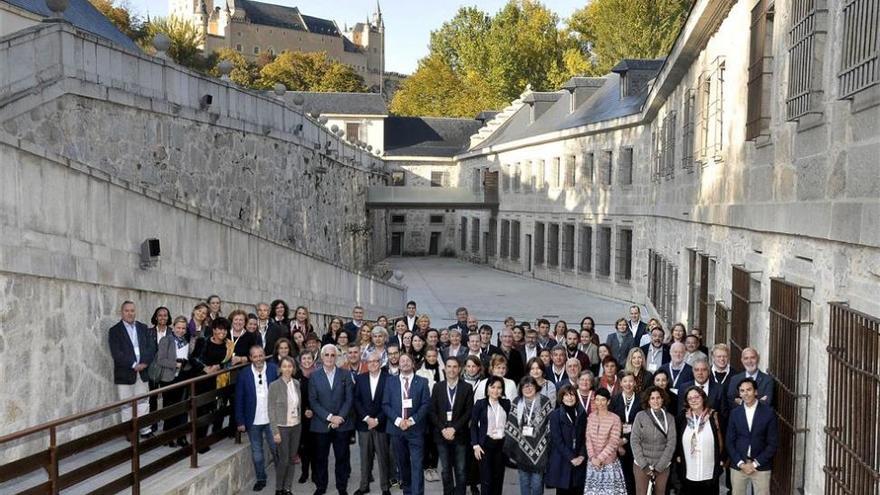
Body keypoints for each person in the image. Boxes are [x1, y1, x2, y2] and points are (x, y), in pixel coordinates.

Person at [309, 344, 355, 495]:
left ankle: (342, 487)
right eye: (326, 355)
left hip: (342, 424)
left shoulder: (345, 374)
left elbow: (349, 399)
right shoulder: (314, 376)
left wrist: (340, 417)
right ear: (321, 357)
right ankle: (321, 487)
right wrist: (330, 417)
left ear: (336, 357)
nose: (329, 358)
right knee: (320, 458)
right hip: (321, 424)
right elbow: (313, 401)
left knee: (342, 457)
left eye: (332, 355)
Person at [383, 353, 431, 495]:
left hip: (415, 429)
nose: (404, 363)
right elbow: (385, 404)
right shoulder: (390, 381)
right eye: (402, 361)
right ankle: (408, 491)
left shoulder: (422, 382)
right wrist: (398, 421)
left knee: (417, 464)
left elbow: (425, 404)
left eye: (407, 360)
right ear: (398, 364)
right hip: (396, 430)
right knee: (403, 464)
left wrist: (411, 420)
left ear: (413, 364)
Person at [108, 301, 155, 440]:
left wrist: (144, 363)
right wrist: (133, 364)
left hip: (142, 371)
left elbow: (151, 347)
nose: (130, 313)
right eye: (127, 311)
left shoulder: (143, 328)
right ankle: (130, 431)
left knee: (143, 401)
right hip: (125, 372)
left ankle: (145, 430)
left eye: (132, 310)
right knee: (126, 403)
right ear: (121, 312)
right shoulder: (115, 330)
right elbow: (116, 353)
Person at [235, 345, 279, 492]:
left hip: (272, 418)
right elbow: (239, 398)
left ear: (264, 355)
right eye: (255, 356)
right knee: (257, 453)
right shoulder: (244, 374)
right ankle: (261, 478)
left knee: (276, 448)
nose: (259, 358)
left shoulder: (273, 369)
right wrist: (240, 421)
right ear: (250, 358)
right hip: (253, 420)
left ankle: (282, 474)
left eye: (261, 355)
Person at [726, 378, 778, 495]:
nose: (746, 393)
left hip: (761, 465)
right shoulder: (735, 413)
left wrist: (755, 464)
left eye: (749, 390)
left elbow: (773, 443)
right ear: (739, 394)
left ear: (756, 392)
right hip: (738, 465)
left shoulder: (768, 412)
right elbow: (729, 441)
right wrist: (740, 463)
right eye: (742, 391)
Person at [431, 355, 474, 495]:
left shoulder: (467, 387)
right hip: (441, 434)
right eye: (449, 366)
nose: (452, 369)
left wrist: (454, 428)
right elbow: (432, 411)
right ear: (444, 369)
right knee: (446, 469)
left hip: (460, 435)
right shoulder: (437, 387)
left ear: (460, 369)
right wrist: (443, 429)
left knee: (461, 469)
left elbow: (468, 412)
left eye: (455, 367)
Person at [504, 376, 552, 495]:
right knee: (524, 482)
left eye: (531, 385)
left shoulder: (545, 401)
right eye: (525, 386)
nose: (528, 388)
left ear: (536, 387)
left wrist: (549, 443)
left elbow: (551, 425)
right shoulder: (517, 402)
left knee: (537, 484)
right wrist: (510, 446)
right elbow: (511, 426)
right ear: (521, 389)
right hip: (521, 449)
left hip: (540, 450)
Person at [192, 317, 234, 451]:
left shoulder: (229, 345)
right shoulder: (203, 341)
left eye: (225, 329)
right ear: (214, 329)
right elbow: (193, 358)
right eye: (219, 329)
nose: (222, 332)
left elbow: (229, 363)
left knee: (211, 410)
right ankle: (198, 442)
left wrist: (218, 366)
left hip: (219, 381)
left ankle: (205, 439)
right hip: (202, 380)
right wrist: (206, 368)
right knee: (201, 411)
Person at [354, 351, 392, 495]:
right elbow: (356, 400)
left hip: (381, 424)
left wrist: (377, 420)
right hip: (364, 425)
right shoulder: (360, 378)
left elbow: (389, 402)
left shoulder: (388, 379)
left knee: (383, 457)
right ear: (366, 364)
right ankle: (364, 486)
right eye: (370, 362)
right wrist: (367, 418)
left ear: (381, 362)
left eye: (376, 361)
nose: (373, 364)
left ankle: (385, 487)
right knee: (364, 457)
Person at [675, 386, 725, 494]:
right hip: (689, 472)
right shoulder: (682, 418)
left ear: (703, 397)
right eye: (690, 398)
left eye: (696, 397)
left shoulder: (714, 416)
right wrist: (678, 456)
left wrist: (722, 460)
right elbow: (677, 440)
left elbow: (724, 439)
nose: (693, 400)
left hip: (709, 473)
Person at [155, 315, 195, 447]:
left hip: (183, 377)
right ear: (173, 328)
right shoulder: (166, 340)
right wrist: (175, 364)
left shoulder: (186, 341)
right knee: (170, 408)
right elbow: (160, 360)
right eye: (178, 327)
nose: (181, 330)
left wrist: (186, 364)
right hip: (168, 378)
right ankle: (169, 436)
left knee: (183, 407)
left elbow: (190, 360)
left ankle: (181, 436)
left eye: (183, 328)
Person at [630, 387, 676, 495]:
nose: (656, 401)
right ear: (648, 400)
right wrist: (644, 465)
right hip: (641, 465)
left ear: (663, 399)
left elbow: (671, 443)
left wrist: (660, 467)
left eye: (658, 398)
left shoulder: (669, 418)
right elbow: (634, 441)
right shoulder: (640, 416)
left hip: (662, 466)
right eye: (652, 398)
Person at [268, 355, 304, 495]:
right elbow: (271, 409)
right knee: (283, 460)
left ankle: (288, 488)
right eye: (285, 366)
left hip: (296, 426)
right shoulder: (274, 385)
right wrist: (275, 431)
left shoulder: (296, 383)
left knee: (292, 458)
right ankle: (279, 488)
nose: (287, 369)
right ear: (280, 368)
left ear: (293, 368)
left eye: (290, 366)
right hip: (282, 427)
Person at [471, 377, 510, 495]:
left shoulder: (506, 403)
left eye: (499, 388)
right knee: (486, 480)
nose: (495, 390)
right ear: (487, 389)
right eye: (492, 387)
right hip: (485, 445)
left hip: (501, 446)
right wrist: (475, 445)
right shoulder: (480, 404)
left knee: (498, 479)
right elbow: (473, 426)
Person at [546, 385, 587, 495]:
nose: (569, 398)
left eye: (572, 395)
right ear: (561, 398)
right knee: (563, 491)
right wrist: (571, 458)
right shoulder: (555, 415)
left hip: (579, 460)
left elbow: (585, 437)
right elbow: (557, 440)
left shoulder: (582, 413)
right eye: (566, 395)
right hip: (563, 459)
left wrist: (582, 455)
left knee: (578, 489)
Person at [584, 388, 627, 495]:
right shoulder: (591, 417)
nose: (600, 403)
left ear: (608, 401)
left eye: (603, 400)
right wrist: (592, 458)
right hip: (593, 462)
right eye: (597, 400)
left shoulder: (615, 419)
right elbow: (588, 438)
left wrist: (600, 458)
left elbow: (613, 442)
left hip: (609, 464)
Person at [611, 372, 642, 495]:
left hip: (636, 443)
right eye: (625, 381)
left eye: (630, 381)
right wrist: (618, 444)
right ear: (621, 383)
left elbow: (642, 423)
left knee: (634, 477)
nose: (628, 384)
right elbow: (611, 423)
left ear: (634, 383)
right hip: (618, 444)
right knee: (620, 477)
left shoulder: (641, 399)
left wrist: (626, 439)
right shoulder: (614, 399)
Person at [418, 347, 445, 482]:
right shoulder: (419, 372)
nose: (432, 358)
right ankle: (425, 467)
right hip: (425, 410)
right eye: (429, 356)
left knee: (435, 440)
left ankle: (433, 466)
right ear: (425, 357)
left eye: (434, 356)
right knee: (425, 440)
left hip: (439, 410)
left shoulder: (442, 370)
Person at [147, 306, 172, 426]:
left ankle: (167, 423)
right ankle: (153, 424)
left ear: (168, 317)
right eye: (160, 315)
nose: (163, 317)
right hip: (153, 370)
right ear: (156, 317)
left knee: (168, 397)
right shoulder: (149, 332)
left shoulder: (172, 333)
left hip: (167, 371)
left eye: (165, 315)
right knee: (153, 398)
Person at [296, 352, 317, 484]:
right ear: (300, 360)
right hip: (300, 416)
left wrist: (312, 410)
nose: (307, 361)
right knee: (303, 447)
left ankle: (315, 473)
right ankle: (304, 472)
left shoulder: (318, 374)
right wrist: (304, 410)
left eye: (309, 358)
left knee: (315, 447)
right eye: (304, 358)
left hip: (316, 416)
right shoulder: (296, 376)